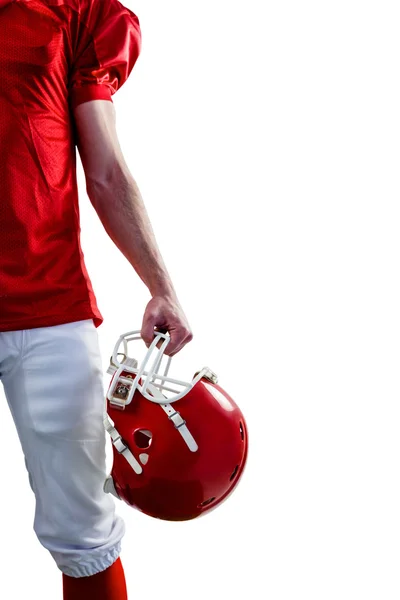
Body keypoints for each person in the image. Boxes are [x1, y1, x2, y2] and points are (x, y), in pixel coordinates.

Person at [0, 0, 192, 597]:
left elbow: (105, 170)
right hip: (45, 306)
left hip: (46, 303)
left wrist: (160, 284)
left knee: (84, 532)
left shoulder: (72, 12)